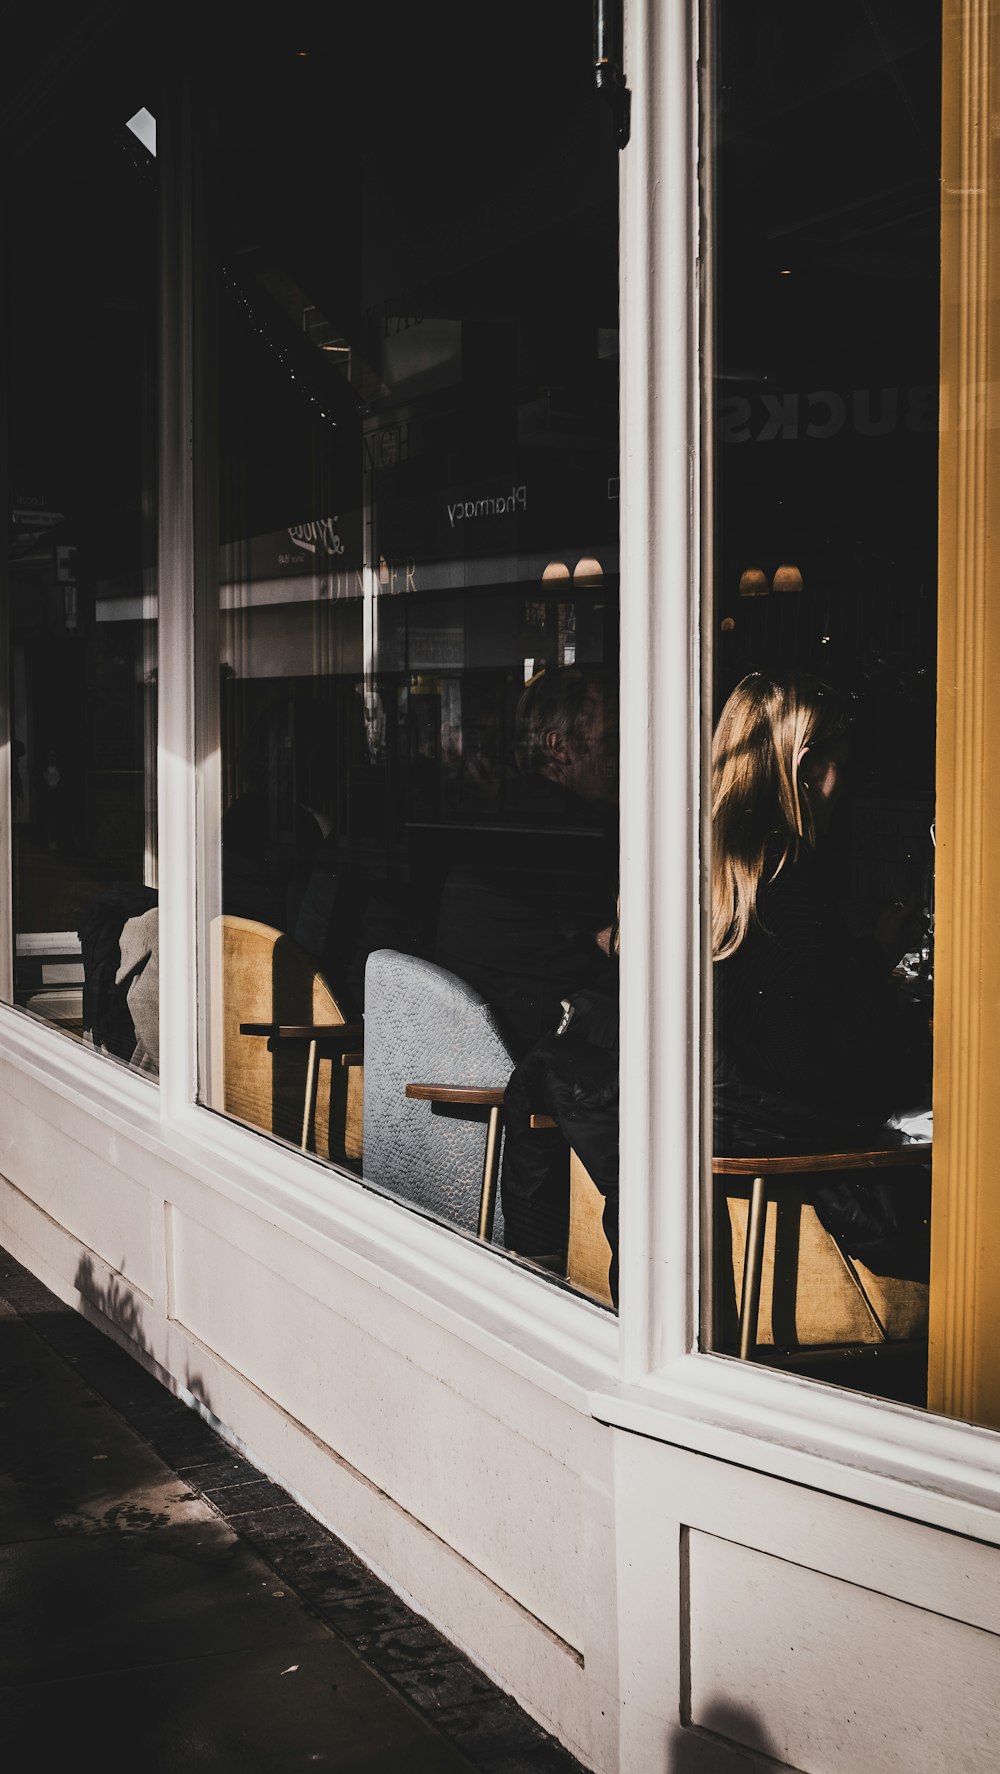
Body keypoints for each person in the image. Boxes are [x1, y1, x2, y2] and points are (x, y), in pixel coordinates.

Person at [712, 668, 932, 1280]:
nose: (846, 785)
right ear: (805, 766)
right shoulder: (785, 879)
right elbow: (824, 1065)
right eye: (843, 765)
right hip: (788, 1180)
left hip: (727, 1168)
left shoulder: (704, 873)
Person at [435, 664, 619, 1271]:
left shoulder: (502, 813)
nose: (620, 749)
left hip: (480, 1037)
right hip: (530, 1048)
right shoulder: (564, 826)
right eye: (609, 735)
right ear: (559, 747)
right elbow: (617, 942)